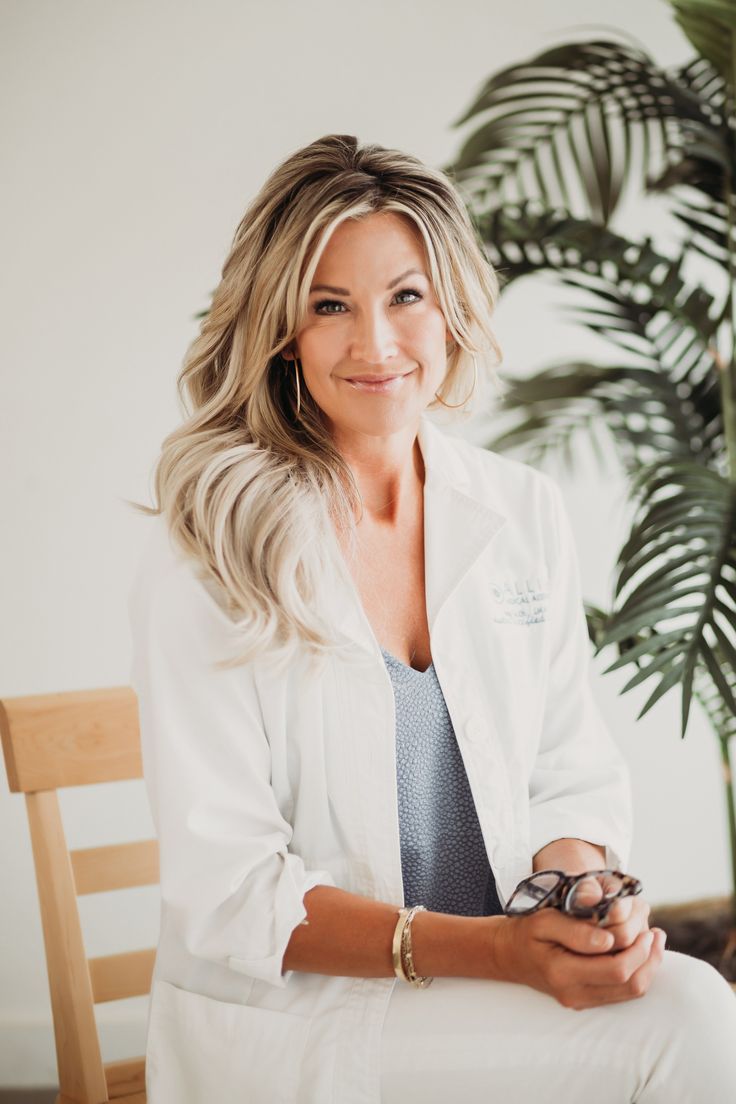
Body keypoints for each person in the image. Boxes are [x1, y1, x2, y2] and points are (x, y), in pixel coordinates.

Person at [127, 133, 736, 1104]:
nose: (374, 343)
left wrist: (576, 895)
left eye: (404, 296)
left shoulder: (517, 510)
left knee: (680, 1004)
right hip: (301, 1017)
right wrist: (495, 952)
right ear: (282, 328)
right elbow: (230, 896)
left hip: (487, 995)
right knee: (694, 1023)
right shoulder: (209, 545)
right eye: (330, 306)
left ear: (450, 305)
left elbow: (568, 771)